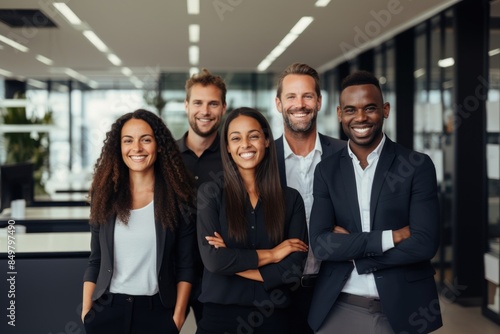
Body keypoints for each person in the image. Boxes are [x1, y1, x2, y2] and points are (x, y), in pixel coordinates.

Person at [308, 70, 443, 333]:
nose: (360, 117)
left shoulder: (416, 165)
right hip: (339, 307)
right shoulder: (326, 171)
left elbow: (424, 244)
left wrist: (356, 257)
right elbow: (322, 244)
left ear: (385, 110)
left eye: (370, 108)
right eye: (351, 110)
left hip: (405, 309)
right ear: (339, 114)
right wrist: (390, 238)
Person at [82, 109, 196, 334]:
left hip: (157, 314)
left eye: (146, 140)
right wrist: (87, 311)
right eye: (128, 141)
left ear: (159, 145)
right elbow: (95, 260)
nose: (137, 148)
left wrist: (177, 318)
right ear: (119, 148)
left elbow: (186, 266)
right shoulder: (104, 196)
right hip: (107, 311)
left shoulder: (178, 198)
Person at [196, 107, 309, 333]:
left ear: (266, 141)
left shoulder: (291, 199)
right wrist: (273, 254)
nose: (245, 144)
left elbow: (293, 269)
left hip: (275, 317)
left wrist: (233, 261)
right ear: (227, 147)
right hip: (220, 319)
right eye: (236, 138)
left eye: (253, 136)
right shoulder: (210, 194)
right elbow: (214, 261)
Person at [274, 62, 345, 334]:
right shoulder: (263, 159)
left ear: (319, 101)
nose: (299, 104)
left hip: (335, 287)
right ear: (279, 104)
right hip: (277, 291)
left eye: (307, 96)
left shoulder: (344, 155)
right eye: (291, 96)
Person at [176, 68, 227, 324]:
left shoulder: (235, 157)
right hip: (172, 270)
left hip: (221, 273)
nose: (205, 111)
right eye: (198, 102)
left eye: (213, 103)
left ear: (223, 108)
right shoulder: (166, 158)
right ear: (186, 105)